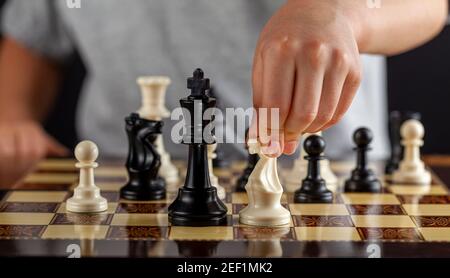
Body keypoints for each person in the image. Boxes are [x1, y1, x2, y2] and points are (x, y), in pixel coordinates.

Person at [0, 0, 447, 186]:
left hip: (330, 182)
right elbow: (35, 34)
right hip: (120, 181)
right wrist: (11, 115)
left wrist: (340, 14)